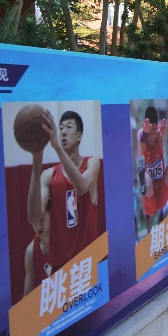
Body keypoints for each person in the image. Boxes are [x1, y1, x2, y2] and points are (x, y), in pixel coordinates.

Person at [26, 109, 101, 274]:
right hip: (61, 268)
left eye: (68, 127)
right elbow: (34, 217)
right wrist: (37, 159)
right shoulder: (48, 176)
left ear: (79, 136)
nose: (63, 132)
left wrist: (57, 148)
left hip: (88, 263)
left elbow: (81, 187)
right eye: (60, 128)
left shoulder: (92, 163)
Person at [138, 106, 168, 233]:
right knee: (147, 178)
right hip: (150, 197)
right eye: (149, 134)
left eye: (154, 133)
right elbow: (141, 138)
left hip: (162, 192)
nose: (152, 137)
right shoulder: (142, 137)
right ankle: (143, 181)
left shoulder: (158, 135)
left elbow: (162, 135)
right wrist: (144, 133)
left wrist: (162, 134)